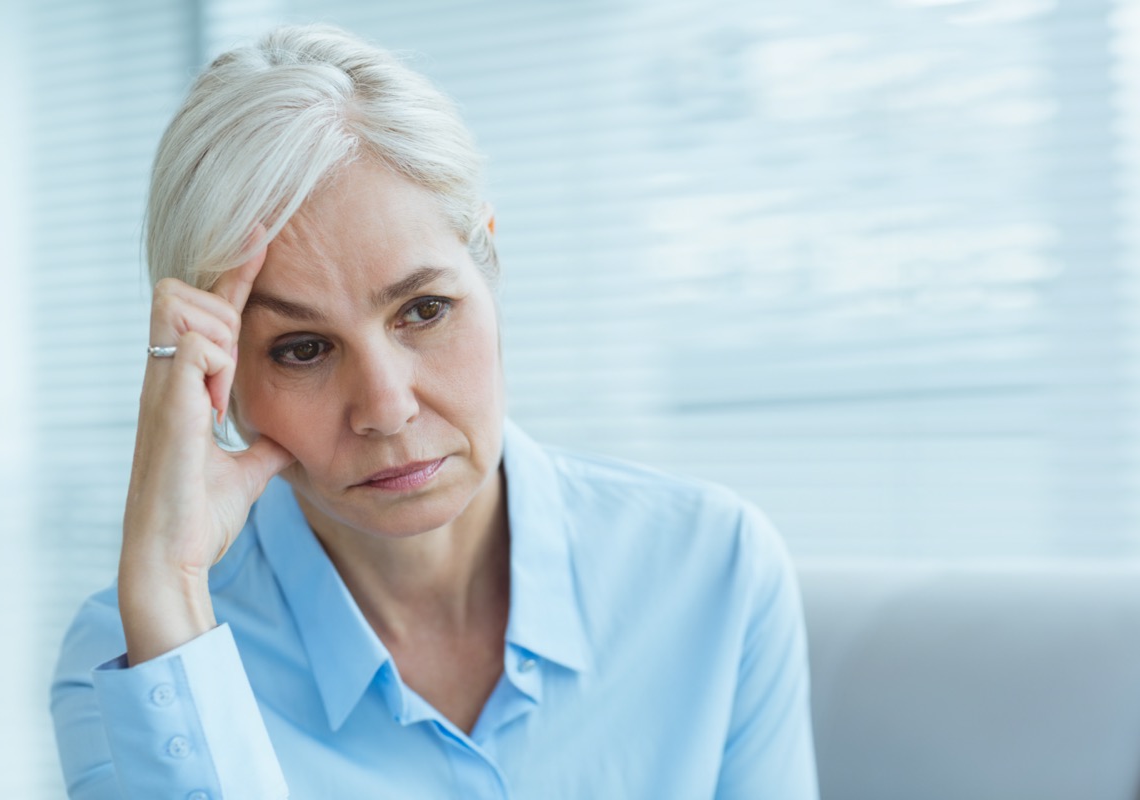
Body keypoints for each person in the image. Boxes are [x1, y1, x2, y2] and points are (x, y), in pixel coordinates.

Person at [50, 23, 818, 799]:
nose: (385, 408)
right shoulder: (133, 659)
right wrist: (173, 589)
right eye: (302, 349)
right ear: (220, 381)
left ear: (490, 263)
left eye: (424, 309)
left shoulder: (713, 570)